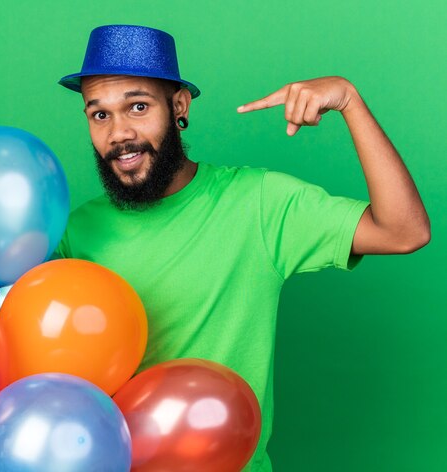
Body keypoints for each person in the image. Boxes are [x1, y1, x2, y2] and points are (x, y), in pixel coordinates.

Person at [53, 24, 430, 471]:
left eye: (137, 106)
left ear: (179, 107)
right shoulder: (76, 233)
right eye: (99, 115)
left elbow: (403, 231)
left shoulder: (258, 203)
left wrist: (350, 101)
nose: (118, 133)